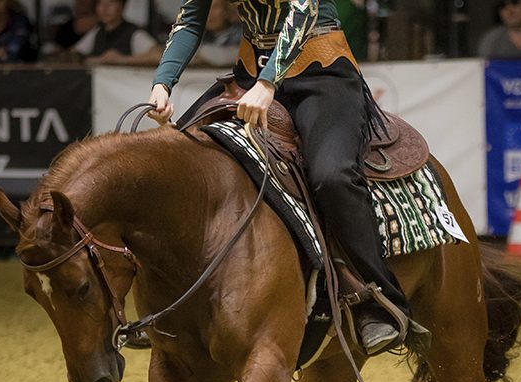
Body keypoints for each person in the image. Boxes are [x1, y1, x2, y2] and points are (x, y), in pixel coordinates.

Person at [149, 0, 412, 354]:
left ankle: (378, 299)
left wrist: (268, 81)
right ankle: (167, 301)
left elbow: (304, 10)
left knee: (332, 176)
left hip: (322, 73)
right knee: (180, 162)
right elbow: (192, 19)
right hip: (249, 77)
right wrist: (163, 81)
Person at [73, 0, 161, 65]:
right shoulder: (97, 31)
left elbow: (158, 56)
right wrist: (100, 59)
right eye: (101, 3)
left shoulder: (133, 33)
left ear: (122, 7)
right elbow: (75, 55)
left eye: (110, 3)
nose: (104, 9)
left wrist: (122, 59)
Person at [189, 0, 241, 67]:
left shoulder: (241, 34)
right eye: (206, 8)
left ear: (226, 10)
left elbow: (236, 57)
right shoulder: (196, 34)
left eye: (215, 7)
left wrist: (201, 53)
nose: (210, 13)